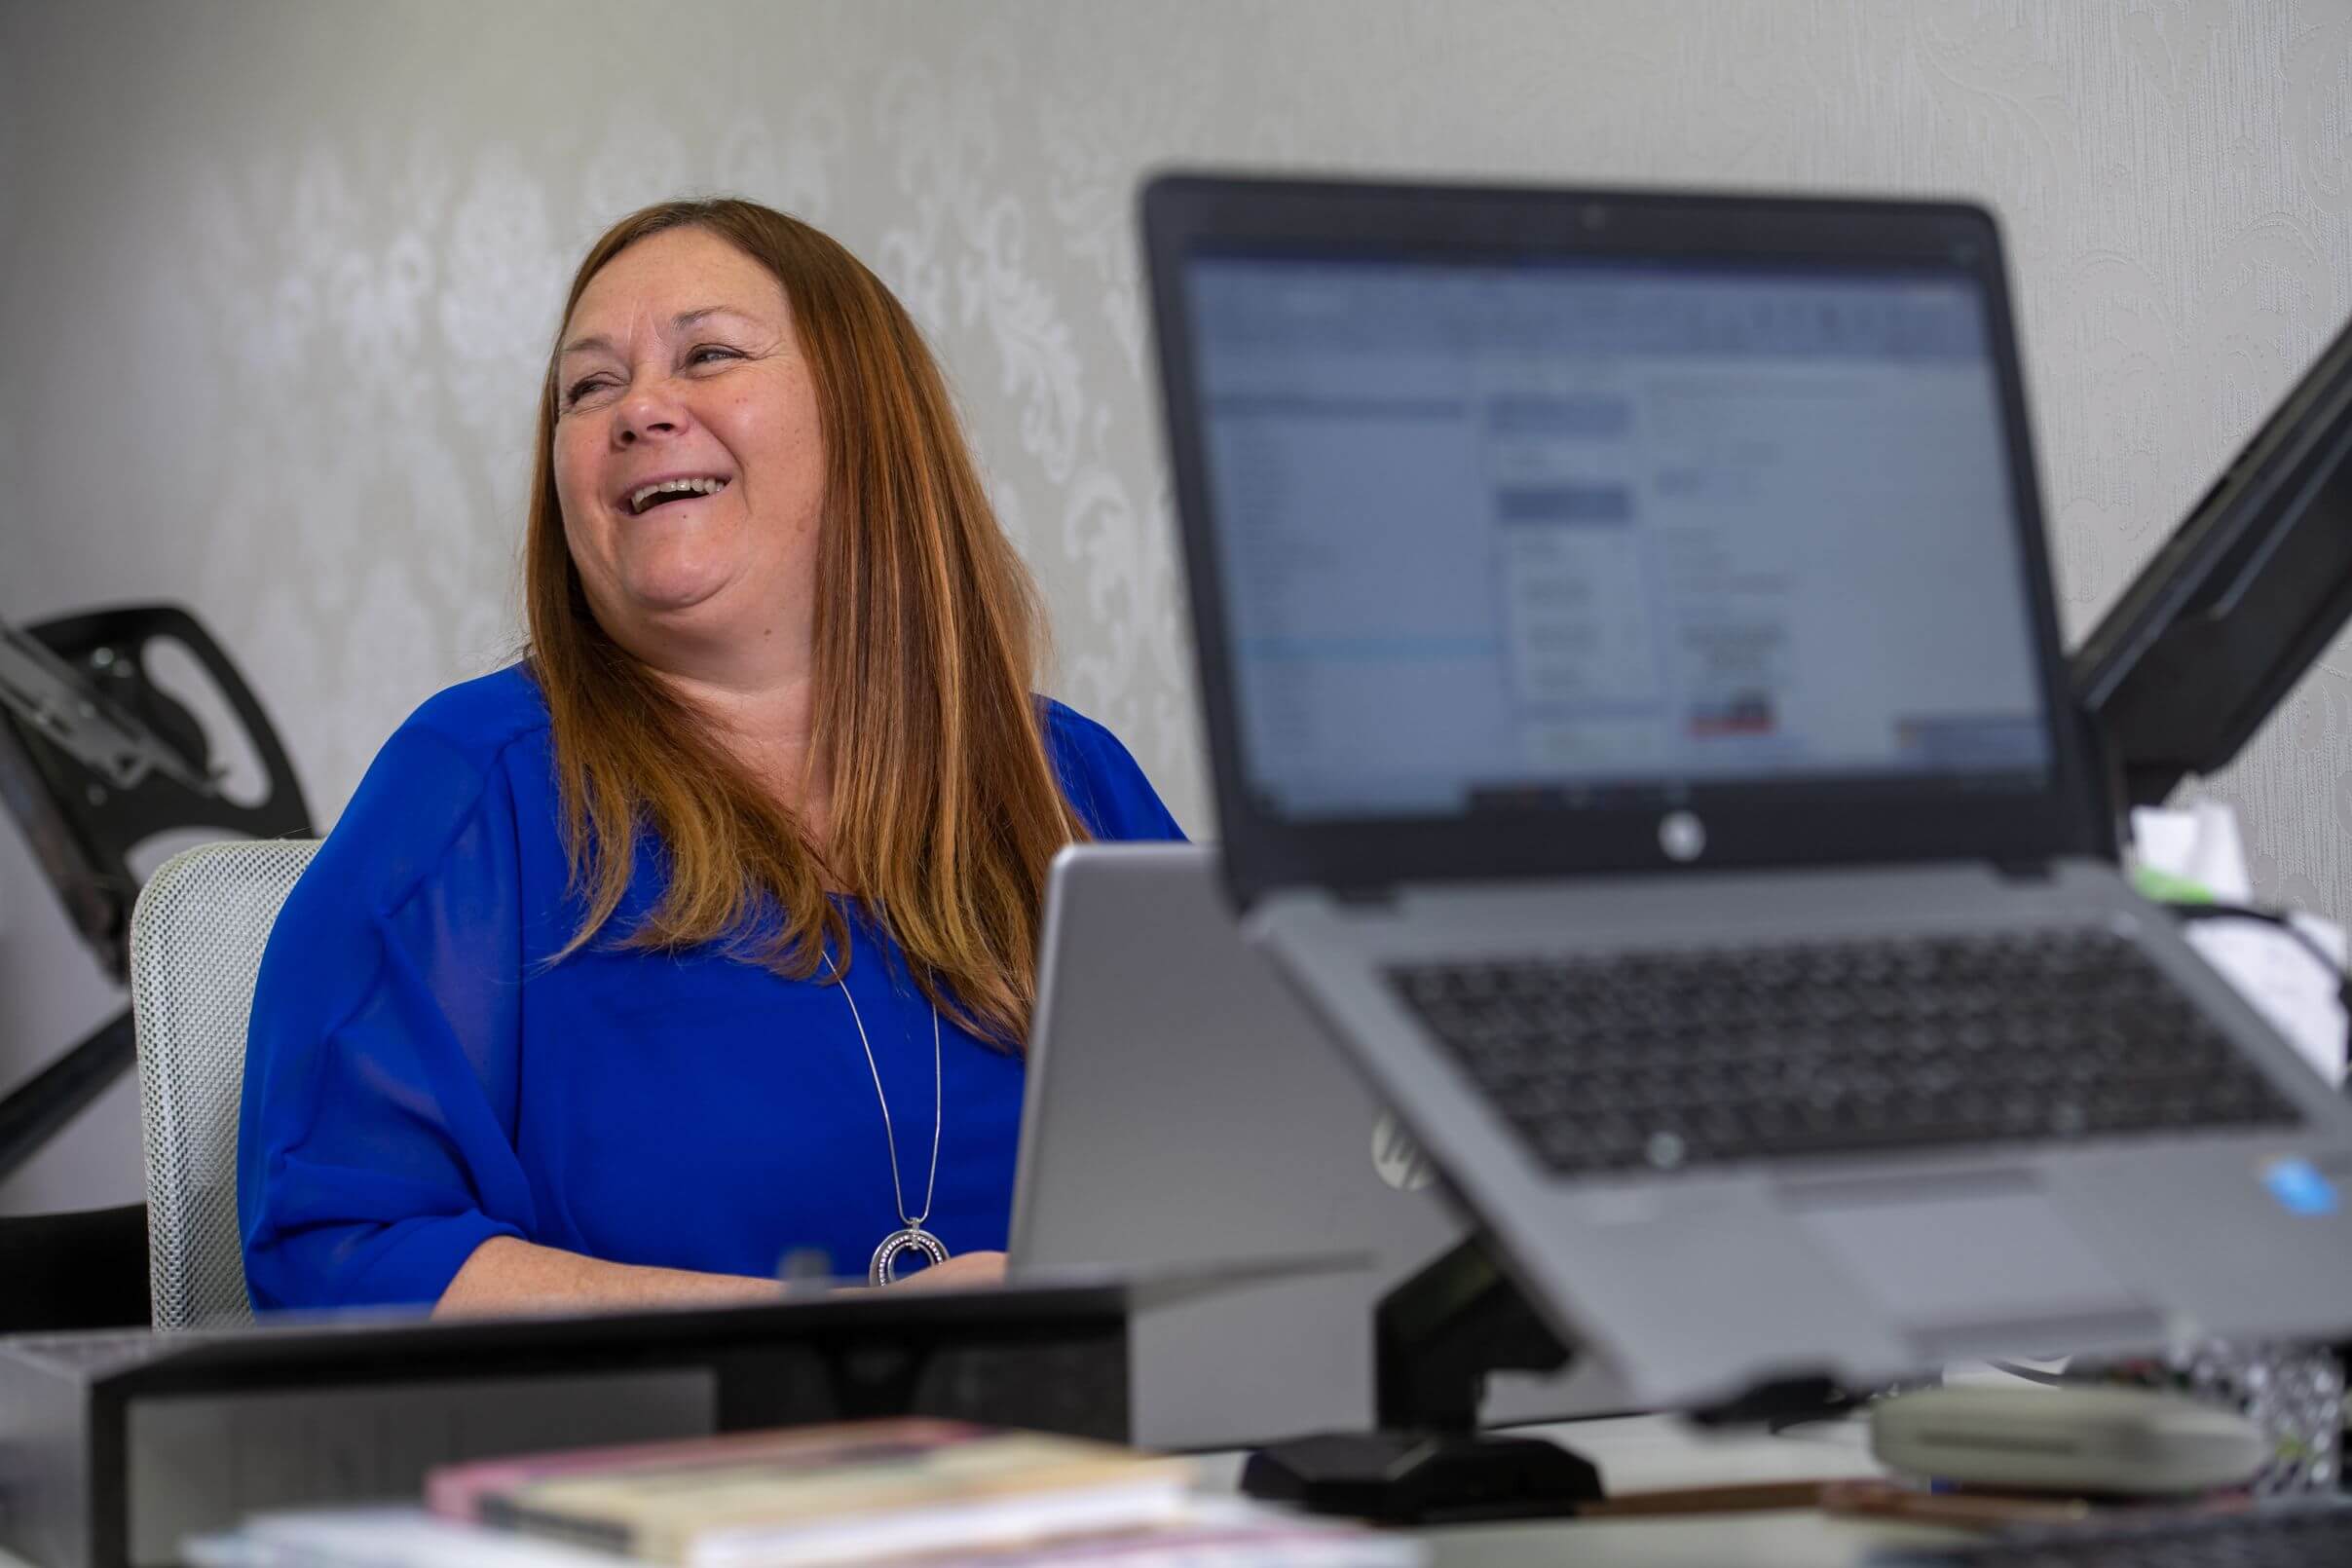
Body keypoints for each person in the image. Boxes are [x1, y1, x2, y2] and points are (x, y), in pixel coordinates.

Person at [238, 198, 1182, 1317]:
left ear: (868, 419)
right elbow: (339, 1250)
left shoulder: (1068, 779)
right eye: (588, 386)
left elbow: (1262, 1173)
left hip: (1094, 1424)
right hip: (683, 1430)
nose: (638, 408)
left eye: (709, 355)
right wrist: (825, 1344)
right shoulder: (468, 790)